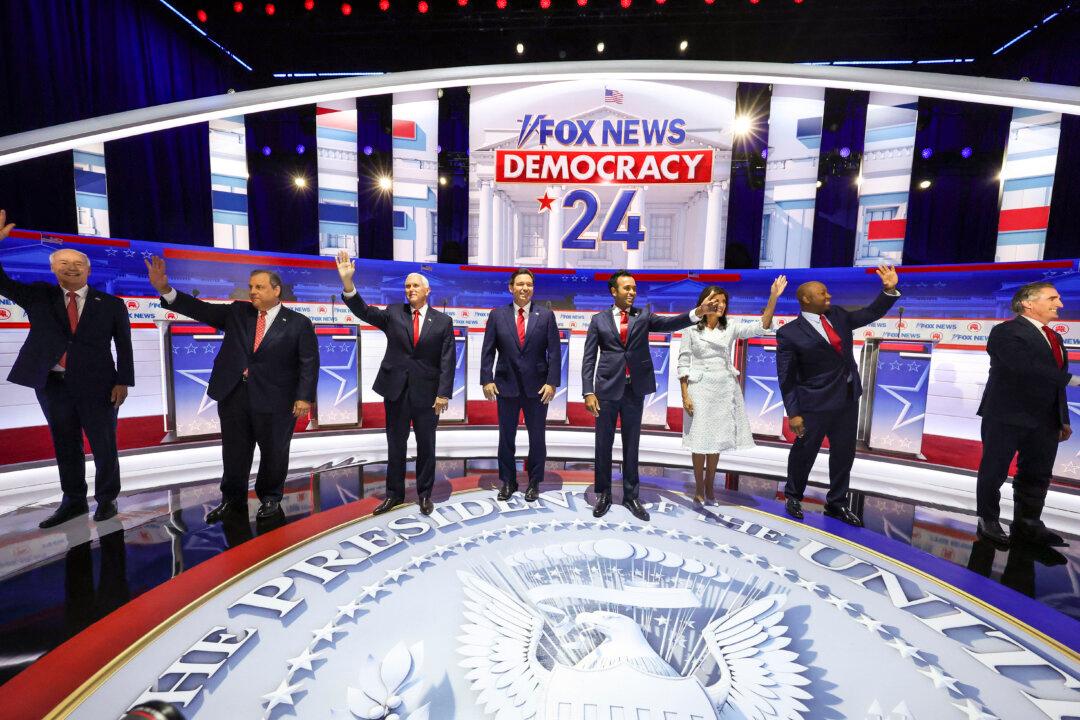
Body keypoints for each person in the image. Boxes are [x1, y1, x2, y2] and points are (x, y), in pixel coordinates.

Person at [146, 257, 318, 522]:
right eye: (251, 286)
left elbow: (308, 362)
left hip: (276, 399)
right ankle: (232, 500)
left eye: (259, 287)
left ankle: (271, 499)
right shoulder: (239, 312)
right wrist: (165, 290)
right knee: (234, 451)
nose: (253, 292)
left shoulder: (298, 323)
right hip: (235, 395)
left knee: (274, 452)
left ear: (276, 290)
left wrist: (304, 397)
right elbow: (201, 310)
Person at [0, 210, 133, 528]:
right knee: (65, 442)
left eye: (78, 264)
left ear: (88, 269)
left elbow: (124, 346)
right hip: (52, 384)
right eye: (64, 264)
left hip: (100, 385)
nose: (71, 268)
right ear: (53, 269)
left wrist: (123, 381)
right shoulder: (38, 296)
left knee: (104, 444)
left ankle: (106, 500)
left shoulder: (111, 304)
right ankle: (73, 501)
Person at [582, 270, 721, 521]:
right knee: (603, 444)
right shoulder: (598, 320)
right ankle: (603, 494)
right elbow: (589, 358)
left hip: (634, 389)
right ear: (614, 291)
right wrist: (588, 391)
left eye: (634, 288)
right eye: (626, 288)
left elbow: (670, 324)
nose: (632, 292)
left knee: (631, 444)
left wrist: (697, 312)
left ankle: (630, 496)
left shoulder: (643, 315)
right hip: (606, 390)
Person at [777, 265, 900, 526]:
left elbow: (870, 313)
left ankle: (837, 503)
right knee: (805, 451)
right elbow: (786, 378)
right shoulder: (789, 333)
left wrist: (888, 290)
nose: (829, 297)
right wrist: (794, 413)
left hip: (846, 398)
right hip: (814, 404)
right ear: (806, 299)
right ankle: (793, 496)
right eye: (823, 293)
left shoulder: (839, 316)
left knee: (844, 453)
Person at [335, 251, 454, 516]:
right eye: (407, 286)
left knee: (426, 446)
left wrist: (443, 394)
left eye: (415, 286)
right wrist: (348, 285)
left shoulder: (444, 322)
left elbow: (447, 360)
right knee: (395, 445)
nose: (410, 290)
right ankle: (394, 495)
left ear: (427, 290)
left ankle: (424, 494)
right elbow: (364, 312)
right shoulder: (393, 313)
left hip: (428, 395)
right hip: (396, 391)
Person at [974, 281, 1077, 548]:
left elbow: (1053, 384)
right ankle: (988, 520)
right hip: (1006, 415)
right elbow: (1023, 367)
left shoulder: (1055, 337)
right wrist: (1073, 379)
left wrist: (1062, 417)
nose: (1060, 304)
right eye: (1053, 298)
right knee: (994, 471)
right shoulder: (1005, 332)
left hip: (1045, 419)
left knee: (1038, 473)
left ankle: (1028, 523)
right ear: (1028, 303)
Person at [679, 276, 786, 505]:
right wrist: (685, 394)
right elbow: (683, 362)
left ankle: (710, 489)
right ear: (704, 302)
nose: (720, 305)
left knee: (715, 441)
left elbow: (761, 327)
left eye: (723, 301)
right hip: (699, 387)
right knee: (699, 441)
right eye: (715, 301)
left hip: (723, 388)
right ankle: (699, 488)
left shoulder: (731, 327)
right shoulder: (690, 330)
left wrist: (773, 298)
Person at [480, 268, 561, 503]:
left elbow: (554, 353)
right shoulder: (497, 315)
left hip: (538, 389)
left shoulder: (545, 316)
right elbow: (488, 351)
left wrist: (552, 383)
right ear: (511, 287)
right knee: (506, 437)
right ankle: (508, 481)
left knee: (537, 438)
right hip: (506, 386)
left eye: (529, 284)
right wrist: (486, 379)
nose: (525, 288)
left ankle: (535, 481)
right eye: (520, 284)